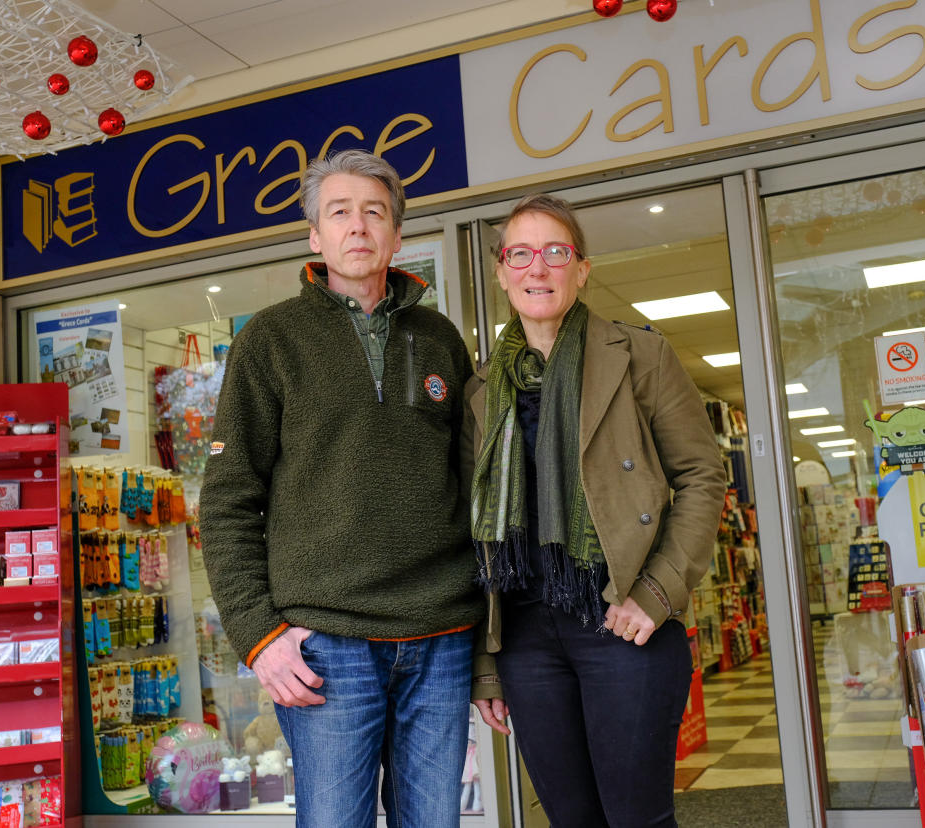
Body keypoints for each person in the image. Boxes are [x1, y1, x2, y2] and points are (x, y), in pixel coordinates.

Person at [200, 149, 481, 828]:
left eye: (374, 212)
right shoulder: (270, 340)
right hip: (326, 646)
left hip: (440, 636)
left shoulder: (439, 338)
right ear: (315, 237)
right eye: (340, 212)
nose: (358, 226)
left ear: (396, 233)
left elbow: (476, 490)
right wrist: (258, 636)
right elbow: (228, 499)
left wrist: (492, 641)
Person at [468, 193, 727, 827]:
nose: (538, 268)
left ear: (582, 269)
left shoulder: (641, 355)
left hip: (621, 618)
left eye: (556, 252)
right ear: (502, 272)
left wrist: (658, 590)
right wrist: (487, 666)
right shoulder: (480, 390)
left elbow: (702, 475)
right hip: (525, 636)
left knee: (637, 819)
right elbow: (472, 534)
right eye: (520, 254)